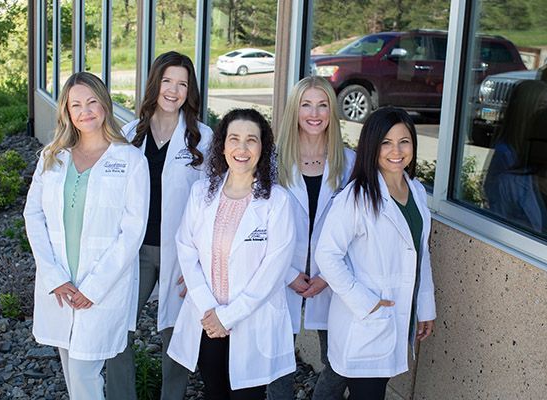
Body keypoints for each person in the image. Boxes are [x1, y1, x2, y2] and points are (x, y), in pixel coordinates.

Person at [23, 72, 149, 400]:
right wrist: (54, 276)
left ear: (105, 105)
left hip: (102, 288)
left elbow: (132, 232)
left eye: (92, 102)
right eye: (76, 104)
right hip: (61, 285)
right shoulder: (53, 156)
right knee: (72, 370)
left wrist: (94, 287)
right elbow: (33, 215)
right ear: (66, 111)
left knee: (83, 372)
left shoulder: (130, 160)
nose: (85, 111)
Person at [167, 109, 296, 399]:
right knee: (215, 391)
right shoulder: (201, 193)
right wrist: (209, 309)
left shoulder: (277, 202)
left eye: (251, 140)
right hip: (207, 320)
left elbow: (273, 271)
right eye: (234, 139)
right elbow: (186, 249)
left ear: (263, 148)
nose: (242, 148)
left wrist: (228, 317)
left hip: (251, 321)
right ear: (222, 145)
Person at [106, 51, 213, 400]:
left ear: (189, 91)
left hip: (180, 255)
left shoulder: (203, 139)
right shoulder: (128, 135)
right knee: (117, 328)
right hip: (135, 253)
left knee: (176, 336)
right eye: (167, 81)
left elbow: (213, 205)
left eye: (182, 84)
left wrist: (201, 263)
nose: (173, 90)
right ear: (155, 84)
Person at [313, 107, 436, 400]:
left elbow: (420, 254)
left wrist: (425, 307)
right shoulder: (355, 197)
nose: (397, 151)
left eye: (404, 141)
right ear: (371, 146)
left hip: (395, 316)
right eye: (386, 143)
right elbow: (327, 256)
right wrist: (366, 303)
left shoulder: (416, 191)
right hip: (365, 320)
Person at [268, 76, 356, 399]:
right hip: (281, 273)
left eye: (323, 105)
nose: (315, 114)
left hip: (332, 276)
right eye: (306, 105)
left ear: (333, 111)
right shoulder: (273, 161)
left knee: (339, 359)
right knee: (278, 360)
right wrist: (288, 274)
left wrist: (328, 277)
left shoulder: (349, 163)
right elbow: (260, 224)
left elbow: (357, 229)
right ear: (295, 110)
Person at [483, 80, 547, 233]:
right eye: (543, 106)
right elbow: (500, 219)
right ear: (526, 110)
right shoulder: (505, 157)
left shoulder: (530, 153)